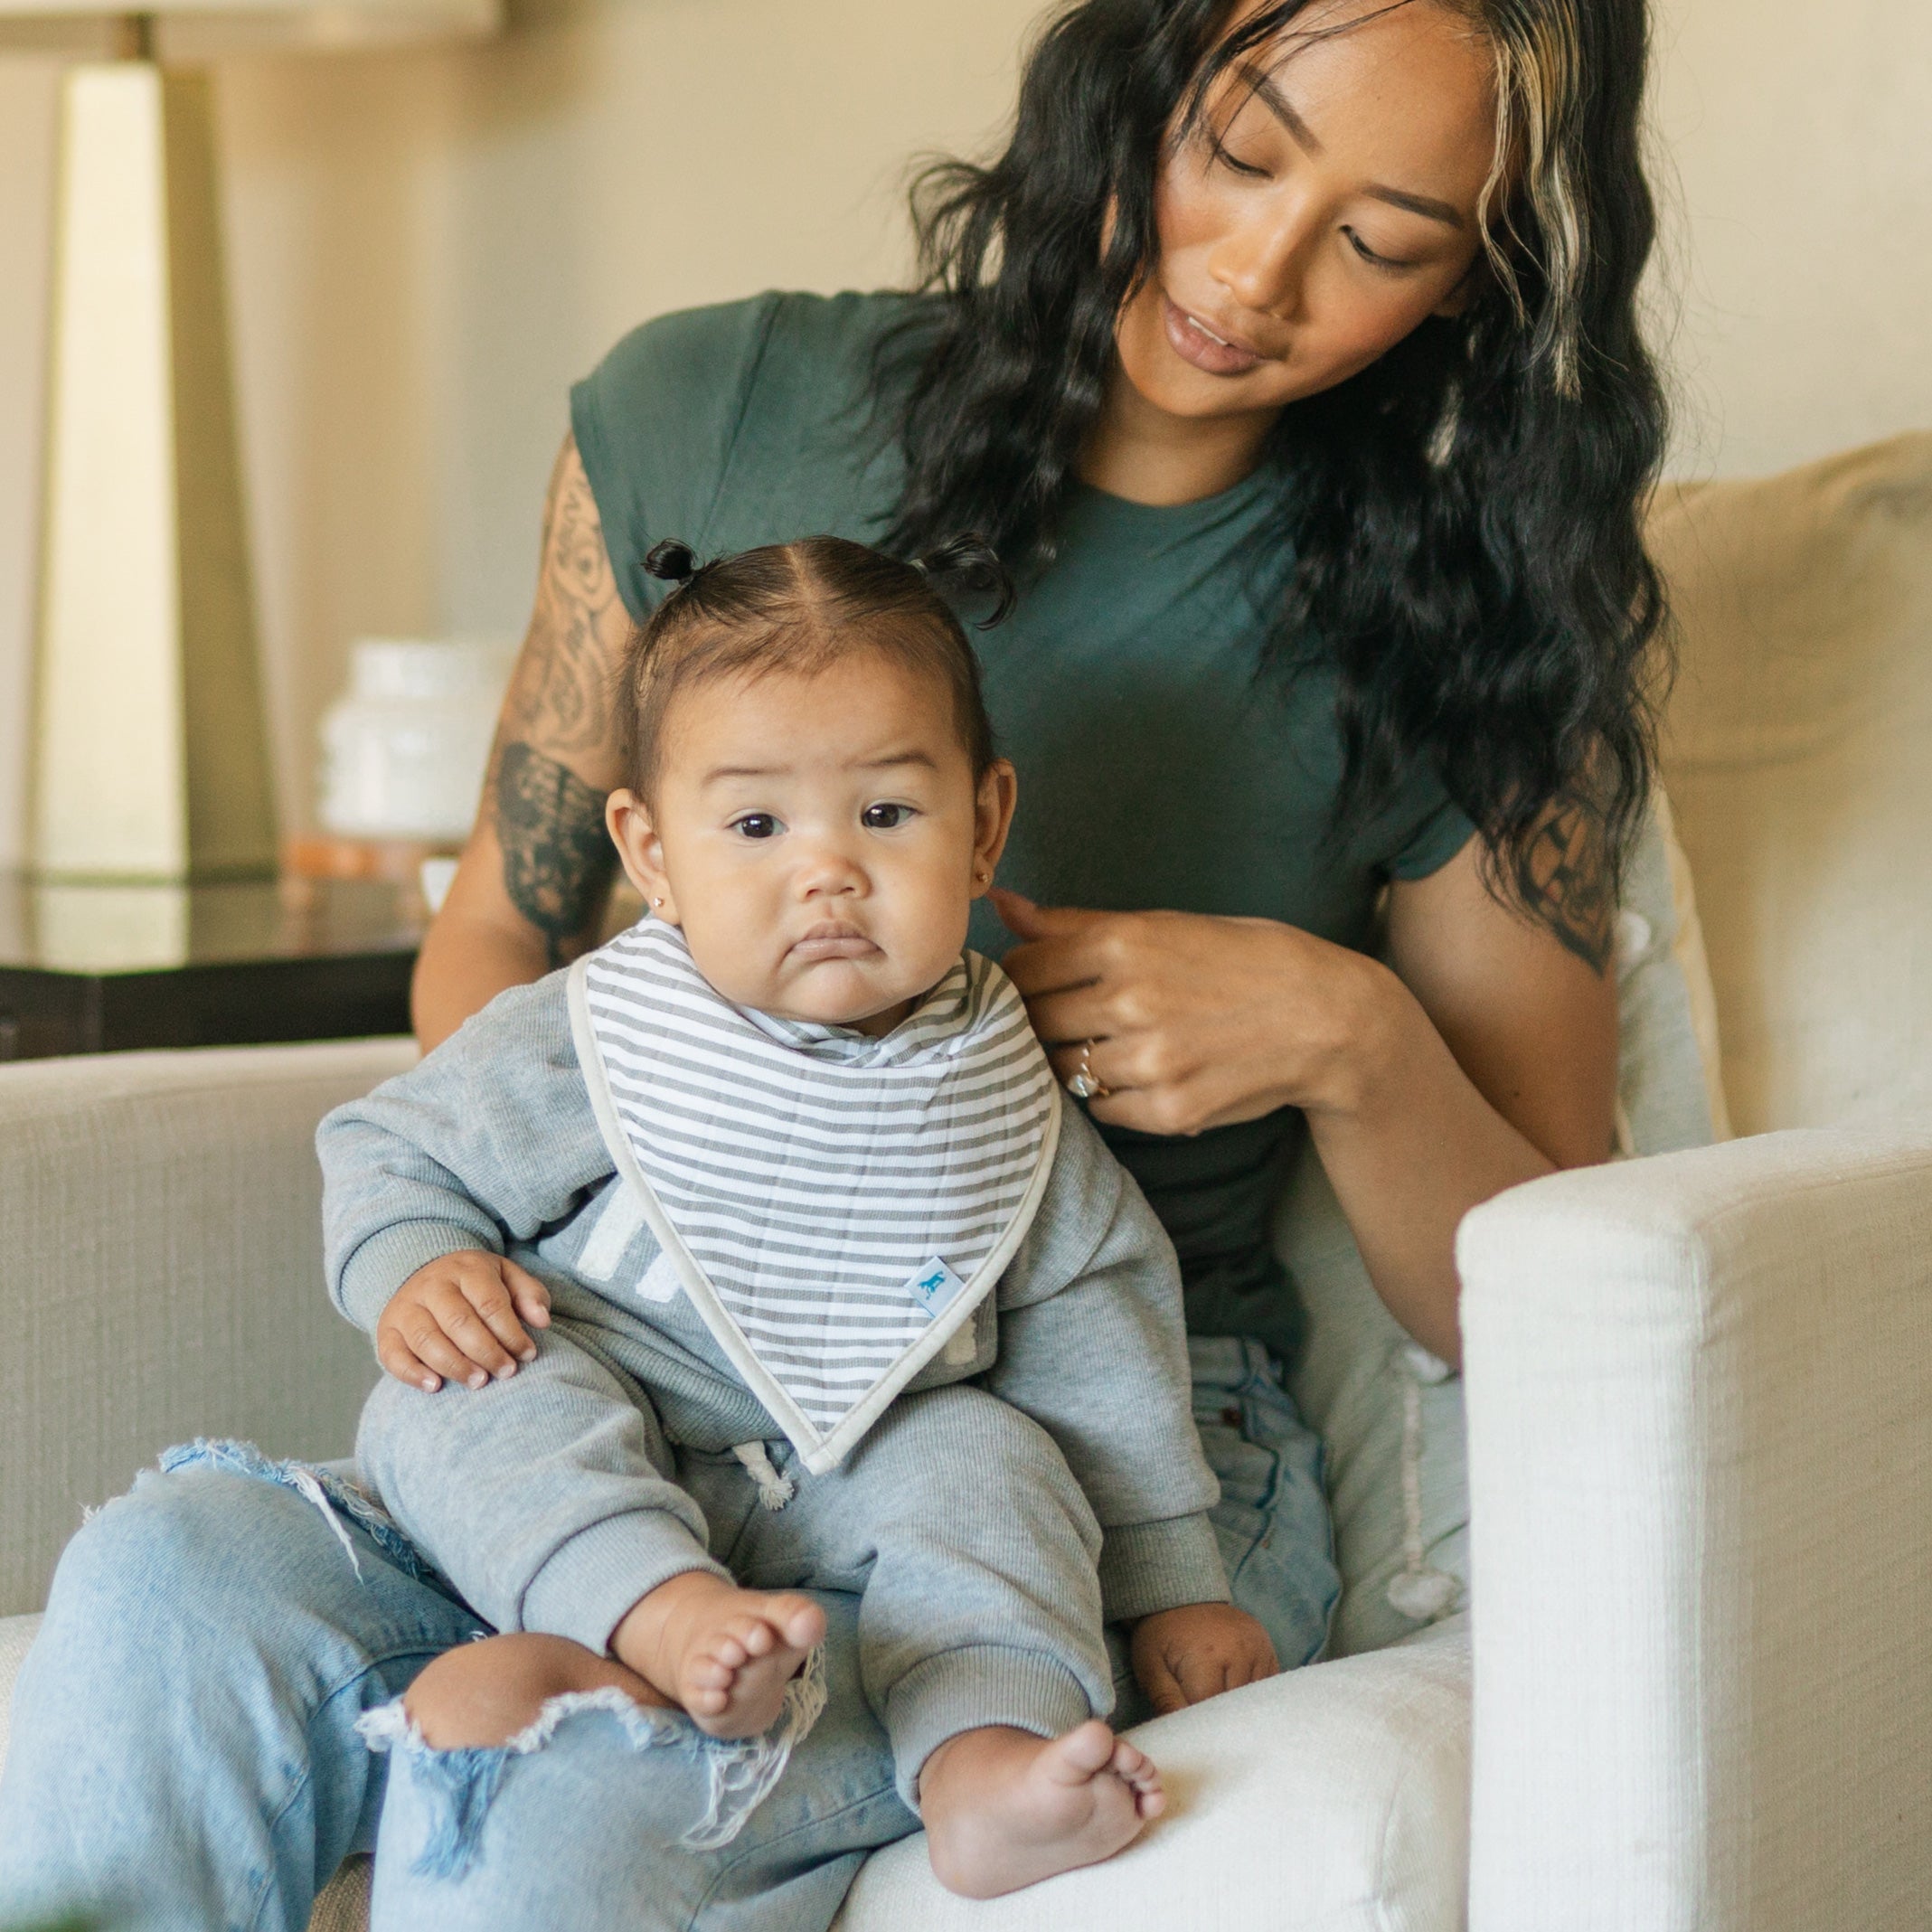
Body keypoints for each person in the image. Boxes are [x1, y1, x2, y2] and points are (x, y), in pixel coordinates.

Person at [0, 3, 1666, 1927]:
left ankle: (629, 1714)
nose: (1252, 269)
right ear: (1130, 86)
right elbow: (495, 942)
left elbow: (1559, 1303)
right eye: (1234, 143)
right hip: (629, 1350)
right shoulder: (702, 407)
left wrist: (1350, 1036)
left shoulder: (1477, 627)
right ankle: (585, 1642)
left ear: (1477, 286)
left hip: (1050, 1450)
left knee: (584, 1809)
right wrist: (596, 1188)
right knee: (168, 1584)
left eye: (1382, 241)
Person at [324, 533, 1277, 1899]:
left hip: (858, 1471)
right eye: (757, 826)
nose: (826, 869)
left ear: (985, 823)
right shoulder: (587, 1040)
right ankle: (648, 1613)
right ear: (650, 852)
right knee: (473, 1386)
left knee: (994, 1456)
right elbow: (385, 1144)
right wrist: (414, 1263)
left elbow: (1104, 1351)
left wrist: (1172, 1581)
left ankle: (982, 1759)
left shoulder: (994, 1089)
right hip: (608, 1414)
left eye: (886, 814)